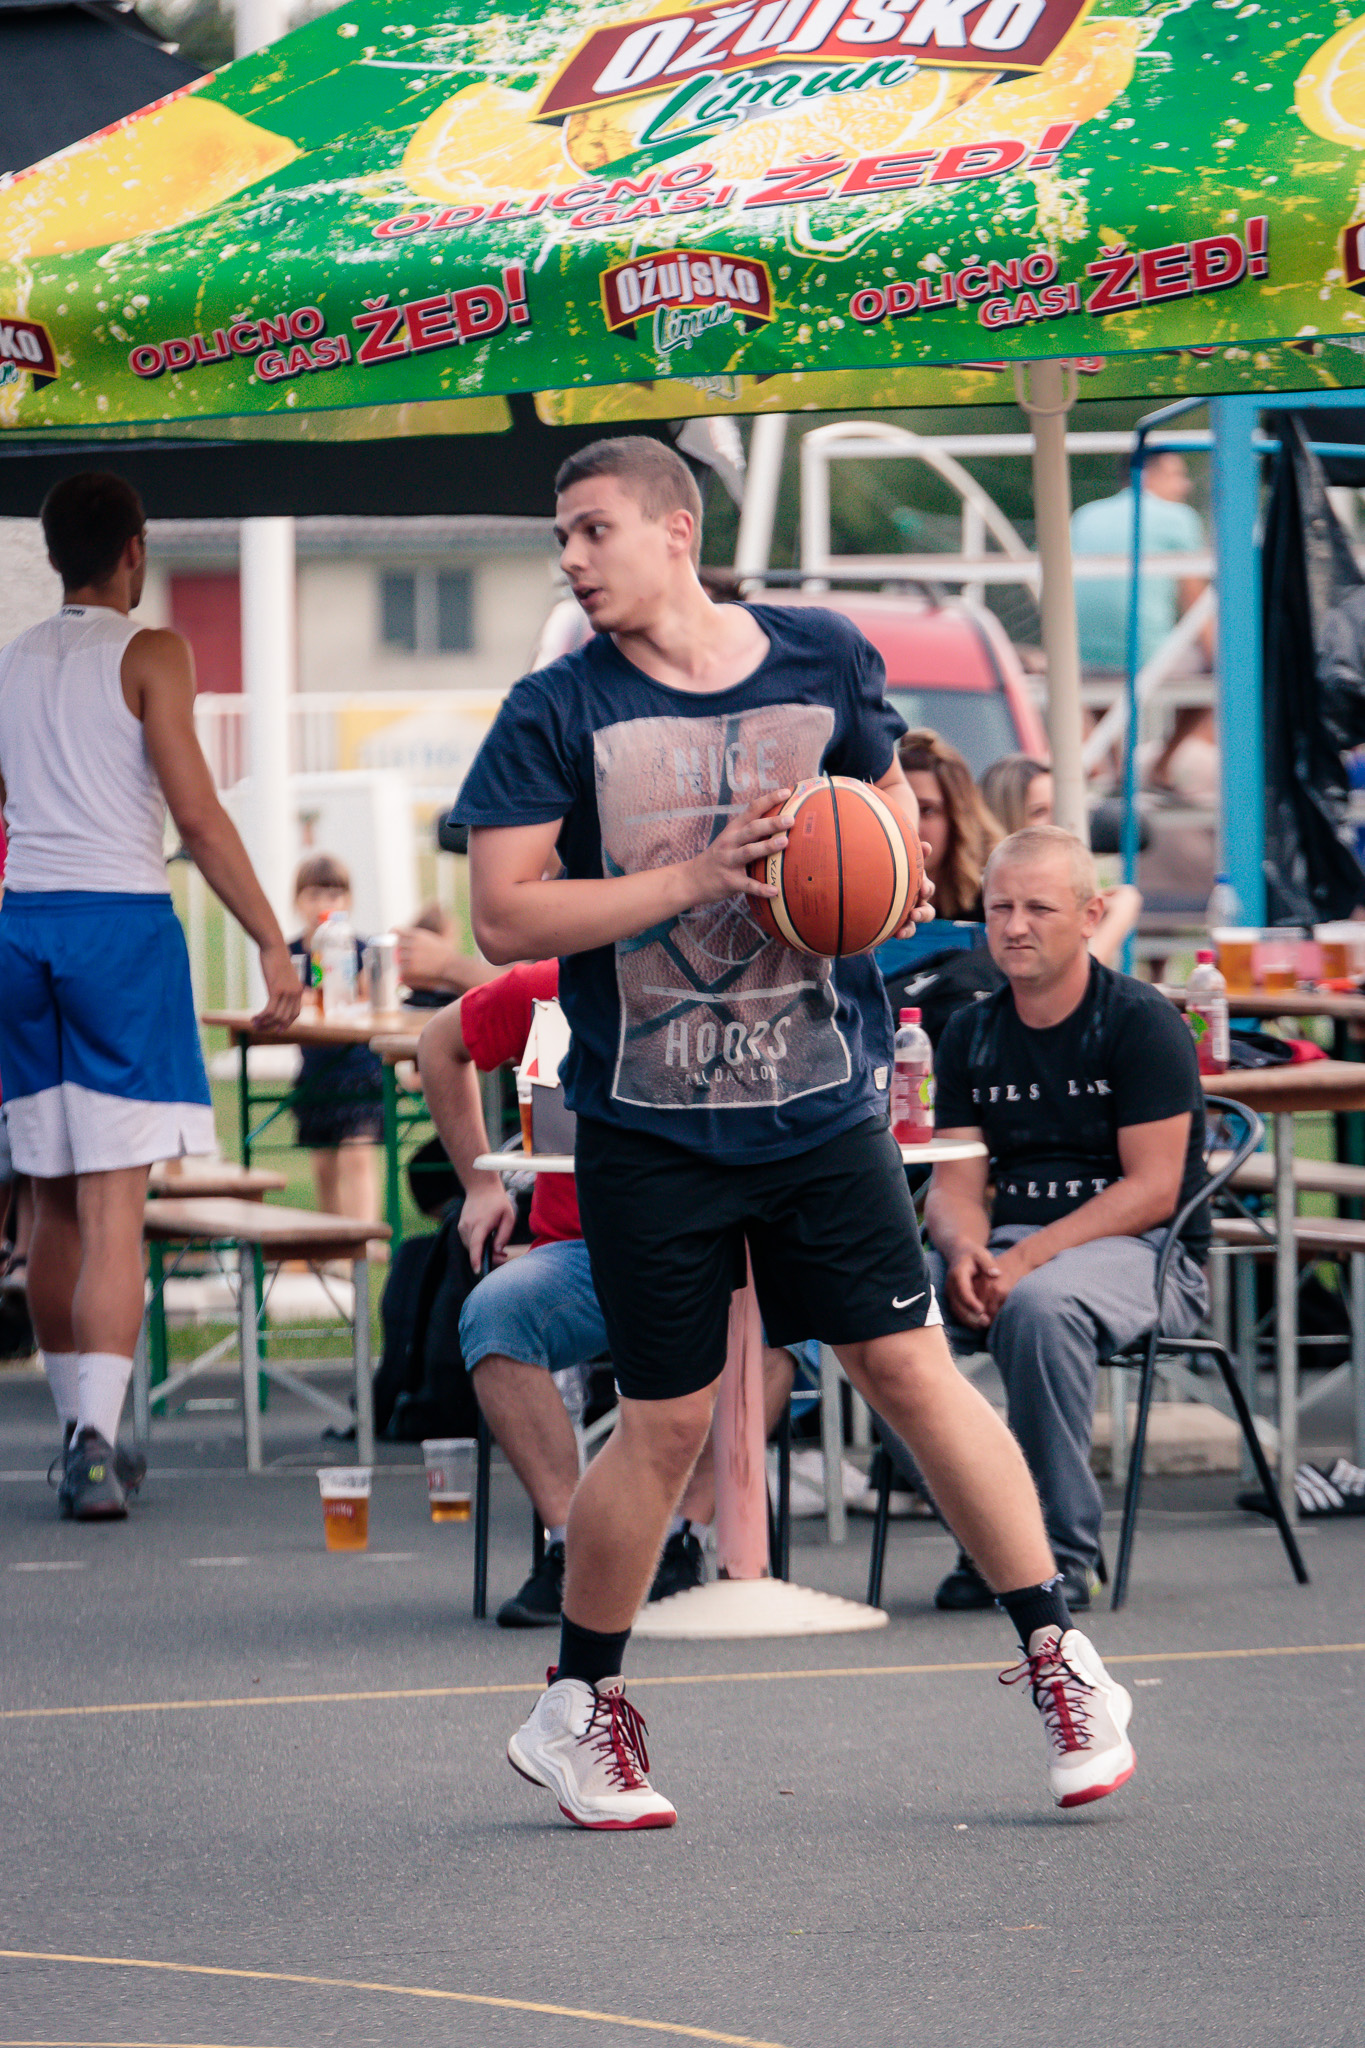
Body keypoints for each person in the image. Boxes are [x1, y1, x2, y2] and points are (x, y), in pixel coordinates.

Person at [452, 434, 1138, 1830]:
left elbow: (886, 820)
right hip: (647, 1117)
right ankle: (580, 1705)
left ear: (674, 529)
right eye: (562, 539)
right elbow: (504, 915)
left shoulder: (820, 656)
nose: (572, 560)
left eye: (593, 531)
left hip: (818, 1101)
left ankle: (1062, 1654)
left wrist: (856, 865)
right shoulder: (553, 708)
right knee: (662, 1426)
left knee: (909, 1369)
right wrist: (699, 874)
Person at [0, 472, 300, 1520]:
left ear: (49, 556)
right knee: (116, 1198)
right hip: (119, 924)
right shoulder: (152, 649)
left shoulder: (11, 662)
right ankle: (98, 1437)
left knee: (47, 1198)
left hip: (22, 924)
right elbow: (198, 813)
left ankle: (76, 1431)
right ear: (135, 550)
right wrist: (272, 937)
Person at [417, 959, 801, 1627]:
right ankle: (572, 1544)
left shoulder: (741, 980)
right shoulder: (552, 983)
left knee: (787, 1317)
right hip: (584, 1251)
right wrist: (479, 1184)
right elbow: (438, 1043)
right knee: (496, 1310)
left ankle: (682, 1537)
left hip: (718, 1247)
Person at [923, 825, 1208, 1609]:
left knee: (1039, 1310)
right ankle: (988, 1537)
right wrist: (963, 1255)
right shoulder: (970, 1032)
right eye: (1000, 907)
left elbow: (1152, 1191)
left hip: (1148, 1255)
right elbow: (954, 1183)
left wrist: (1019, 1262)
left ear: (1091, 915)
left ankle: (1055, 1557)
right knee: (878, 1313)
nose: (1014, 926)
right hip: (1010, 1248)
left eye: (1038, 908)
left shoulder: (1140, 1020)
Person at [289, 852, 383, 1226]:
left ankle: (365, 1236)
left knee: (358, 1156)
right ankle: (333, 1242)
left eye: (334, 895)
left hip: (358, 1067)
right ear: (297, 901)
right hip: (316, 1071)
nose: (324, 905)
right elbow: (290, 997)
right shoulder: (292, 952)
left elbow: (367, 997)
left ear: (349, 901)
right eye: (314, 896)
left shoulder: (360, 949)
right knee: (324, 1165)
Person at [982, 755, 1142, 968]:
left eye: (1063, 808)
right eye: (1039, 811)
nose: (1059, 820)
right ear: (1001, 819)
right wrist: (1121, 914)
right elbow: (1074, 976)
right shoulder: (985, 889)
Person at [1071, 451, 1213, 681]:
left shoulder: (1084, 515)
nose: (1185, 485)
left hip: (1080, 658)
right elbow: (1195, 602)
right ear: (1146, 476)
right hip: (1148, 657)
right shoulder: (1177, 517)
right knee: (1225, 675)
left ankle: (1109, 719)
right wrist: (1218, 661)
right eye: (1176, 475)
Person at [897, 728, 1001, 921]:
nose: (910, 824)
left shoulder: (994, 901)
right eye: (898, 810)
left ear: (958, 819)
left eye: (926, 810)